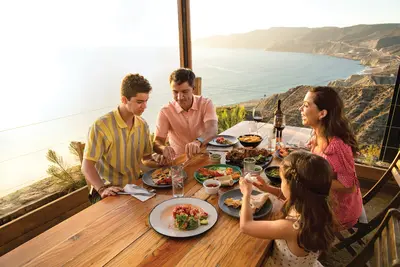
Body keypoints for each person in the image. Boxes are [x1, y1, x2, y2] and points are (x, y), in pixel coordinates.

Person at [256, 86, 363, 229]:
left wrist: (309, 178)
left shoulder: (337, 146)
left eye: (306, 105)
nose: (300, 109)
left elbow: (349, 186)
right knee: (275, 199)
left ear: (322, 113)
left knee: (274, 213)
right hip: (320, 199)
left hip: (338, 212)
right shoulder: (318, 134)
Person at [239, 151, 336, 266]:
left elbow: (246, 226)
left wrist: (246, 194)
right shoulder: (319, 207)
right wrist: (267, 188)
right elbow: (287, 195)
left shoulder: (290, 227)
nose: (281, 183)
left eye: (282, 180)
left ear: (293, 188)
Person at [81, 73, 153, 200]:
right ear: (124, 100)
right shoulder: (101, 126)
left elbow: (146, 159)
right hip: (109, 190)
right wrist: (102, 189)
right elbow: (86, 166)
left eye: (146, 101)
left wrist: (164, 163)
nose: (145, 106)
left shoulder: (142, 125)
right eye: (139, 102)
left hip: (135, 187)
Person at [153, 68, 218, 163]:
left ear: (193, 89)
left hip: (205, 157)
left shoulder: (206, 103)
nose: (179, 97)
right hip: (179, 162)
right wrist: (163, 149)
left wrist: (198, 141)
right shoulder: (165, 111)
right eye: (175, 92)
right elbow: (157, 142)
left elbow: (212, 129)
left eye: (184, 92)